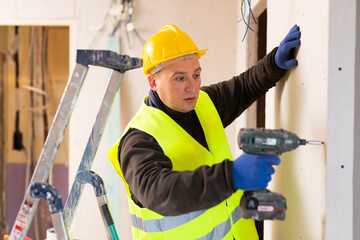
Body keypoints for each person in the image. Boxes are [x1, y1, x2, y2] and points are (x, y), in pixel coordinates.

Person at [108, 24, 301, 240]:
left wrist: (274, 64)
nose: (193, 87)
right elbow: (159, 193)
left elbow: (243, 87)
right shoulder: (138, 140)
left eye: (196, 74)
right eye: (180, 78)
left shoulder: (204, 103)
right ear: (153, 82)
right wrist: (231, 175)